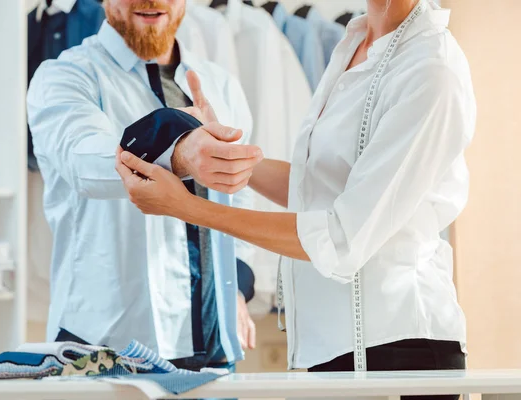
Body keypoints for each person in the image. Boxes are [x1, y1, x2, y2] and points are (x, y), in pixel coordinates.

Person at [116, 0, 476, 397]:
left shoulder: (430, 68)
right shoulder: (356, 42)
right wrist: (226, 154)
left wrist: (188, 208)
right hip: (336, 348)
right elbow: (317, 187)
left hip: (401, 349)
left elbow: (341, 236)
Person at [26, 0, 262, 373]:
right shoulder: (64, 76)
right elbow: (85, 160)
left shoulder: (220, 83)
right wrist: (180, 150)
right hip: (104, 352)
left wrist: (237, 284)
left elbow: (244, 193)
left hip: (213, 355)